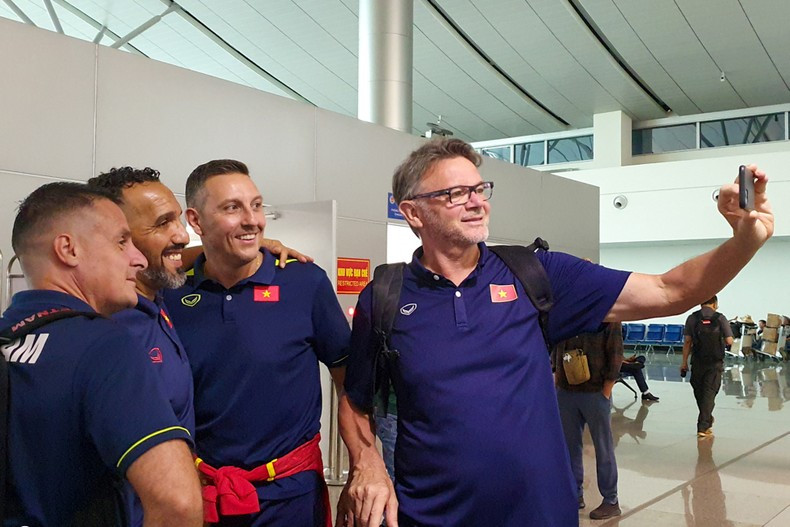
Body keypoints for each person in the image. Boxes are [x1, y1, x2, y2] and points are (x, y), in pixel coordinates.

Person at [337, 138, 773, 527]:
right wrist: (366, 461)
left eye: (479, 189)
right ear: (412, 211)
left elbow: (669, 290)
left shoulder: (534, 274)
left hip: (540, 512)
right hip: (430, 514)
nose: (476, 202)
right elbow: (355, 403)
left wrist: (744, 241)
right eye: (456, 193)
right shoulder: (386, 296)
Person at [88, 166, 312, 526]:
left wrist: (248, 248)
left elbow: (170, 258)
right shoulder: (109, 328)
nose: (179, 235)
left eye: (255, 206)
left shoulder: (156, 298)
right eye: (162, 224)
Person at [1, 182, 202, 526]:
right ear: (69, 249)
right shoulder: (106, 346)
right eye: (121, 242)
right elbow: (178, 503)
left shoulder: (9, 337)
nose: (137, 258)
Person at [162, 159, 350, 527]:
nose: (253, 220)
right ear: (196, 221)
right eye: (233, 208)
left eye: (257, 205)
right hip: (200, 494)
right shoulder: (169, 294)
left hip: (291, 496)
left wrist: (365, 464)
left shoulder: (305, 283)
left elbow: (348, 381)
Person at [554, 323, 623, 520]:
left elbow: (616, 352)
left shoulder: (609, 315)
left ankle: (611, 500)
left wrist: (606, 389)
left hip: (595, 391)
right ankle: (574, 495)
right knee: (569, 447)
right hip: (566, 391)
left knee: (603, 447)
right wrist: (556, 377)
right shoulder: (567, 311)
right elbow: (557, 345)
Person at [681, 296, 734, 438]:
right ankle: (704, 426)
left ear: (700, 302)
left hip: (697, 361)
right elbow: (729, 340)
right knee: (710, 392)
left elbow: (687, 342)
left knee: (699, 391)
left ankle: (705, 419)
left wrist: (684, 362)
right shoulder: (720, 318)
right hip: (714, 362)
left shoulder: (692, 318)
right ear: (715, 303)